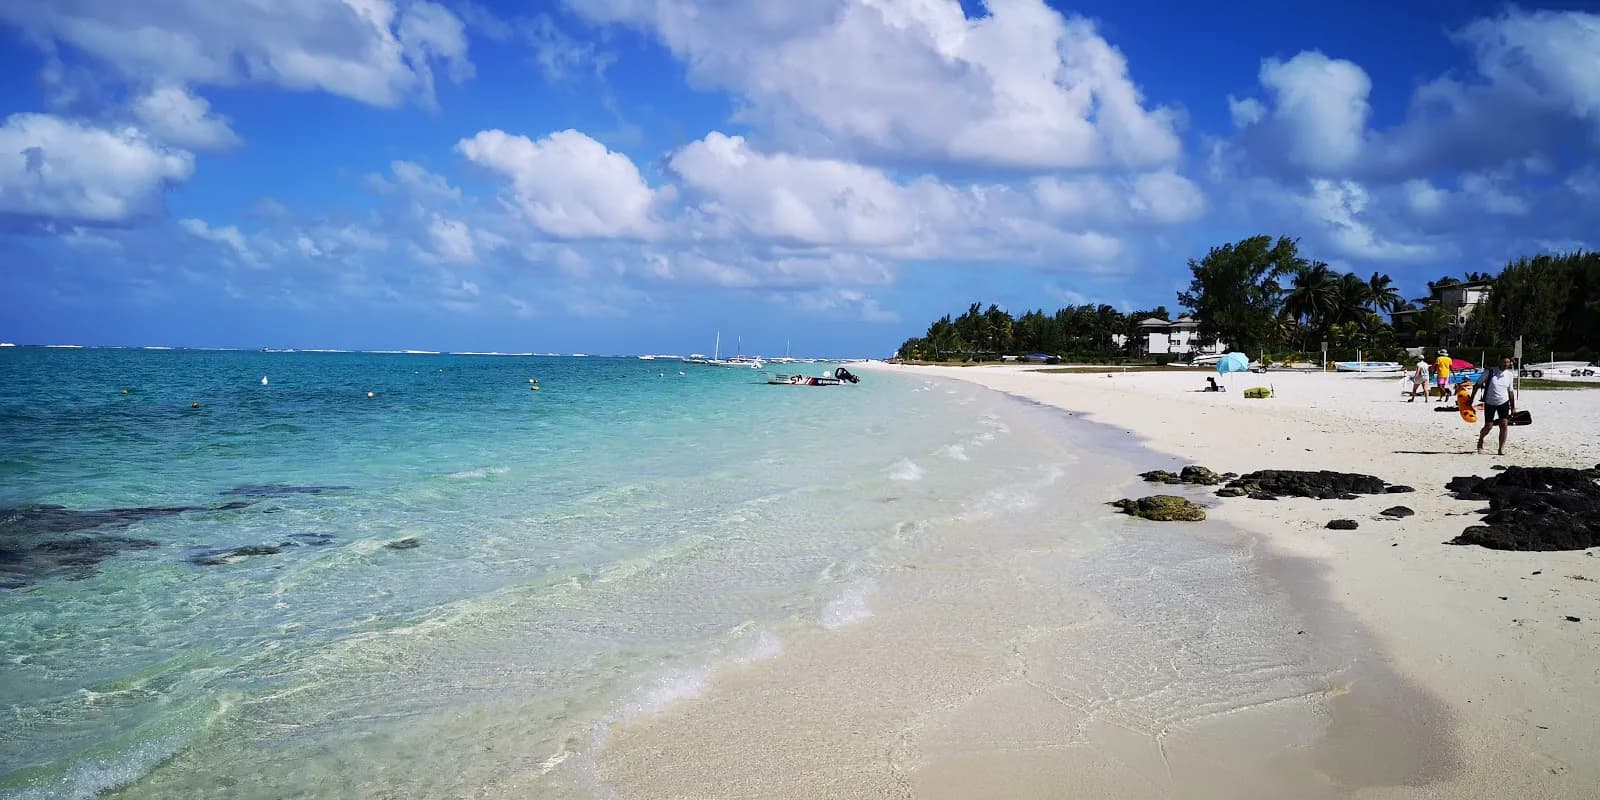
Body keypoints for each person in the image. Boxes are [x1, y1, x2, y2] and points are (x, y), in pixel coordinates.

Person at [1470, 356, 1517, 455]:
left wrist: (1513, 407)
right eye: (1504, 362)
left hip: (1503, 402)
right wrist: (1471, 399)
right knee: (1488, 426)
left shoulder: (1509, 375)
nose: (1506, 364)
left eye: (1508, 363)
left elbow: (1511, 391)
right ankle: (1481, 439)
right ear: (1499, 362)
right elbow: (1477, 385)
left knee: (1504, 425)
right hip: (1490, 402)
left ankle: (1501, 448)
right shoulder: (1490, 372)